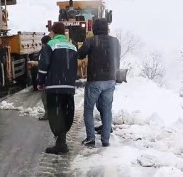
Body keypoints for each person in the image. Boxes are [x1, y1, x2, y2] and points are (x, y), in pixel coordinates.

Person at [78, 18, 121, 147]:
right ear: (107, 28)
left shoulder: (91, 40)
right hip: (110, 80)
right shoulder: (115, 41)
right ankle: (105, 139)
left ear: (94, 29)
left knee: (89, 109)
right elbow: (117, 58)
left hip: (95, 80)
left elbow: (80, 55)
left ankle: (91, 139)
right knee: (107, 109)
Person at [38, 22, 78, 154]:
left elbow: (43, 65)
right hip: (68, 87)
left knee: (55, 114)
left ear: (53, 33)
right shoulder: (72, 46)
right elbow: (74, 67)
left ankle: (60, 144)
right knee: (66, 113)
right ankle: (62, 142)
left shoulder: (50, 45)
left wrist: (40, 81)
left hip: (54, 86)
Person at [35, 35, 51, 121]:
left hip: (46, 79)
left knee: (45, 97)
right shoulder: (53, 49)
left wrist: (40, 81)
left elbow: (42, 67)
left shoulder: (44, 52)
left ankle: (48, 114)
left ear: (44, 44)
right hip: (53, 78)